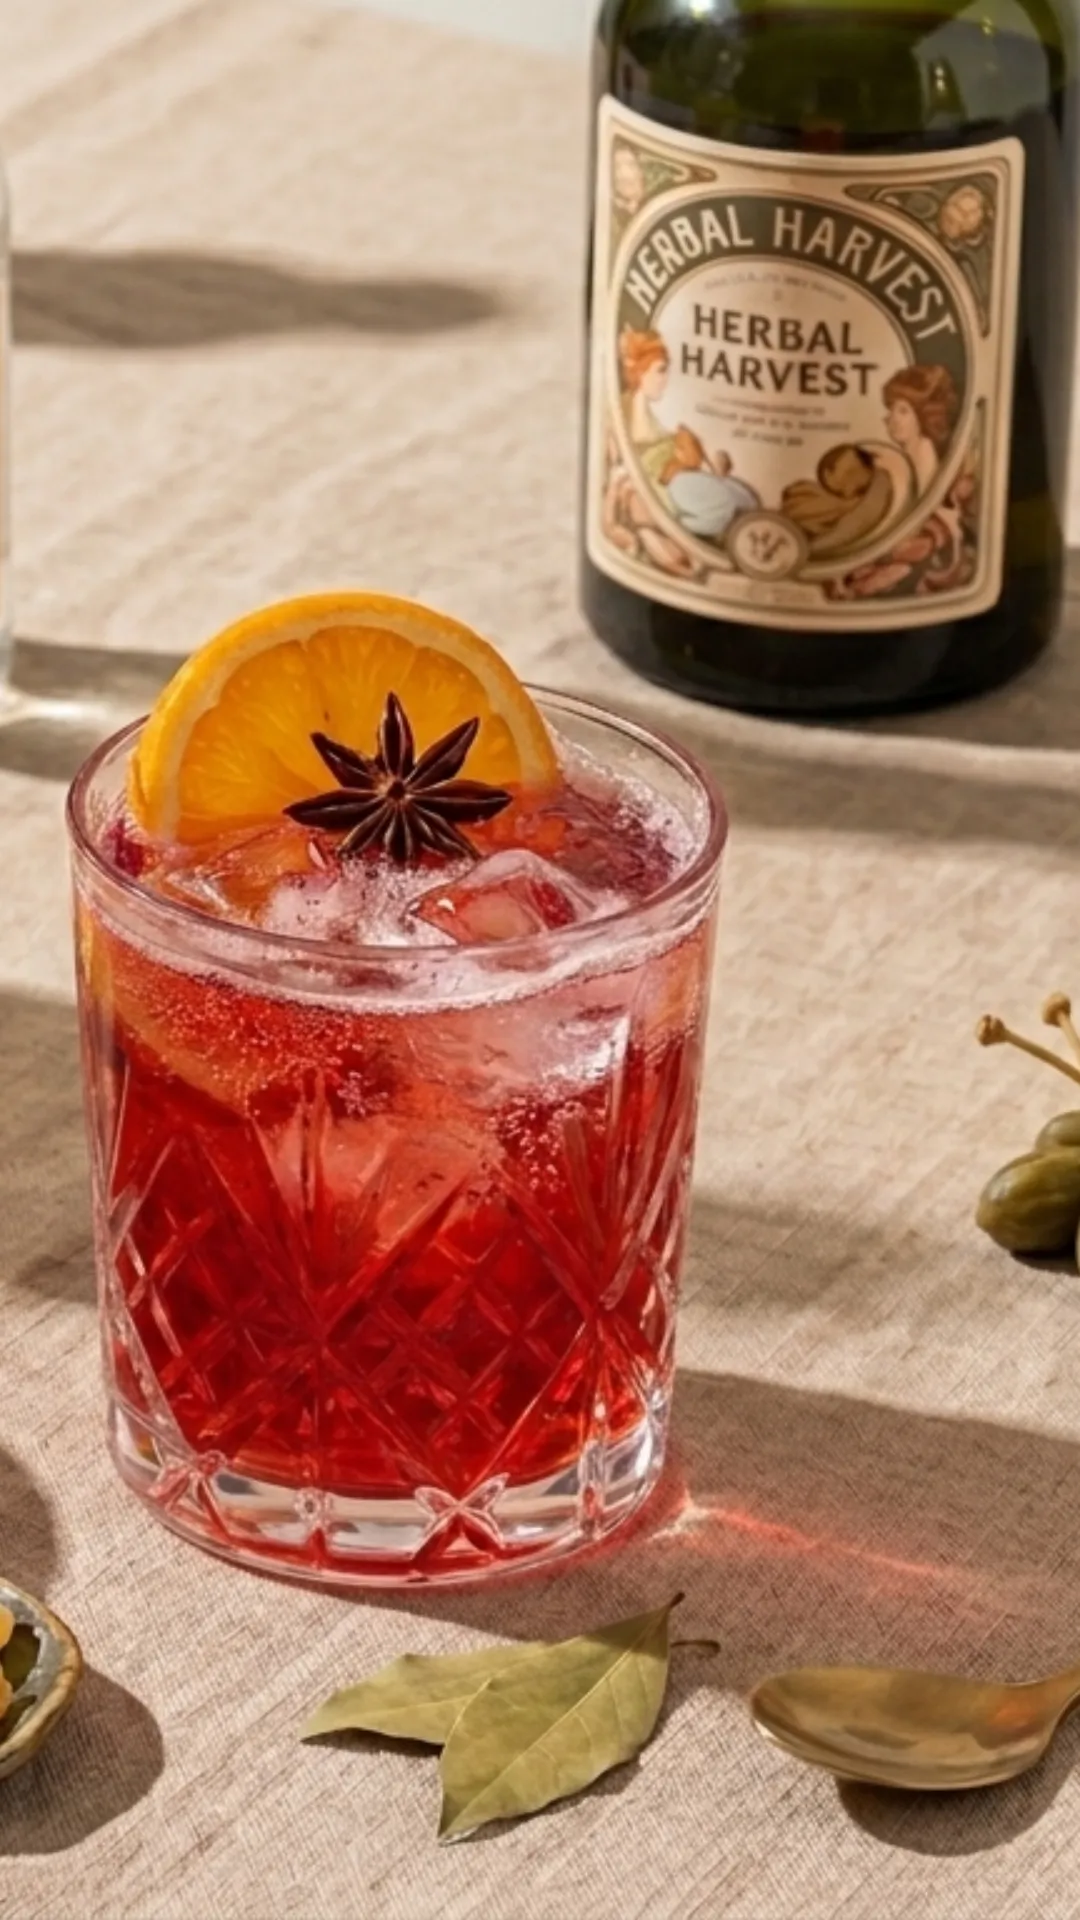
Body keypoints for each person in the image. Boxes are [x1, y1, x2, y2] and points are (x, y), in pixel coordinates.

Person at [782, 444, 896, 557]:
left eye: (860, 488)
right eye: (850, 473)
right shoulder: (806, 492)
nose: (853, 484)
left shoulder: (857, 505)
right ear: (828, 474)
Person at [883, 364, 960, 496]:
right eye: (892, 410)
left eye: (903, 411)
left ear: (922, 416)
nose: (894, 419)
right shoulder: (907, 452)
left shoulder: (924, 452)